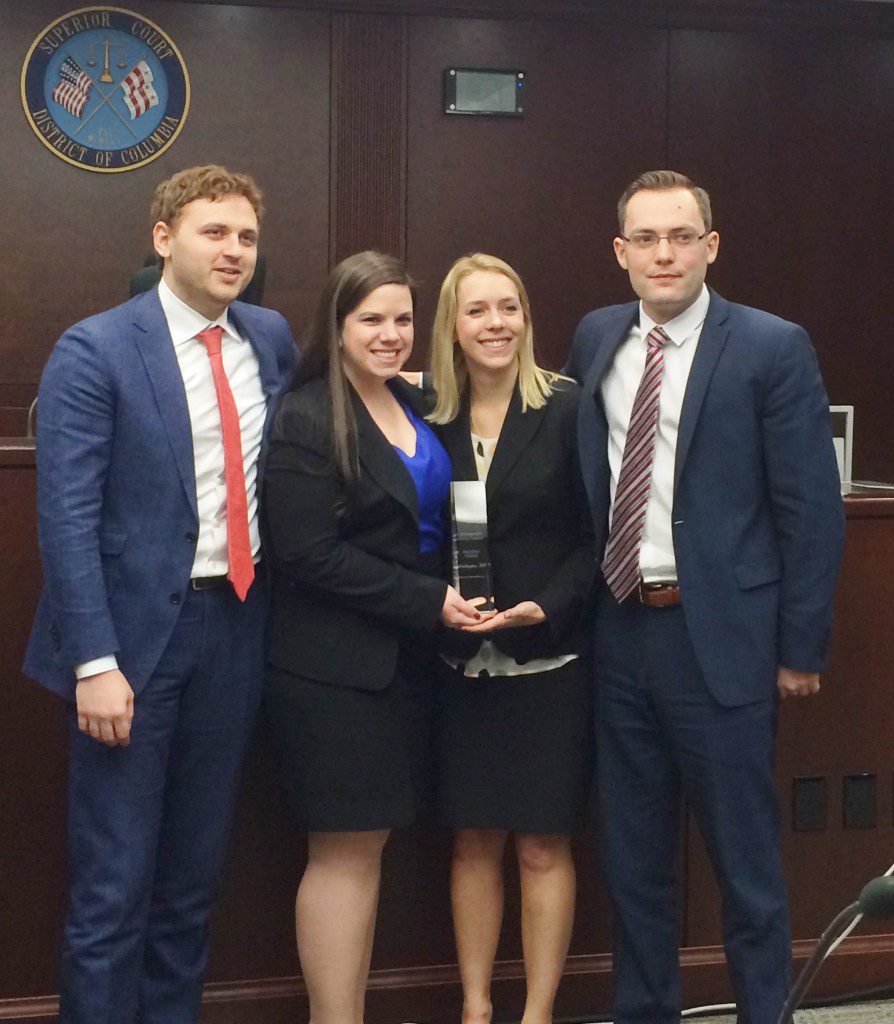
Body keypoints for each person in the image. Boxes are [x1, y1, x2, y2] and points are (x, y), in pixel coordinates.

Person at [564, 170, 846, 1024]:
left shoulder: (771, 345)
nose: (663, 253)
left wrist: (801, 648)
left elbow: (810, 511)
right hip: (619, 636)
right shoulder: (595, 337)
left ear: (710, 246)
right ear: (620, 253)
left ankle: (766, 1012)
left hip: (721, 640)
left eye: (680, 236)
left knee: (746, 866)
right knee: (635, 862)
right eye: (645, 239)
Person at [23, 165, 297, 1024]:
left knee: (191, 883)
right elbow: (66, 521)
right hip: (131, 648)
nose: (233, 251)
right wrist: (93, 662)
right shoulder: (95, 347)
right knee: (113, 891)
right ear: (163, 238)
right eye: (214, 232)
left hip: (237, 633)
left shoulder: (271, 338)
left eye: (247, 237)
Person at [262, 250, 482, 1024]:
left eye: (401, 320)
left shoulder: (414, 403)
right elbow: (305, 554)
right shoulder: (306, 414)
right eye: (371, 320)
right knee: (344, 854)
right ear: (338, 325)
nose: (390, 335)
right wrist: (429, 602)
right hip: (331, 673)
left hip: (406, 668)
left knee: (372, 846)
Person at [428, 254, 595, 1024]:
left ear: (526, 318)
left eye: (509, 308)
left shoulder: (567, 407)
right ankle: (475, 1008)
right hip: (460, 667)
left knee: (540, 846)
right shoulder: (425, 415)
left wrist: (544, 606)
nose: (496, 324)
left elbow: (600, 537)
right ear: (452, 328)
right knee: (472, 842)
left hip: (549, 661)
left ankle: (536, 1013)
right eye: (477, 311)